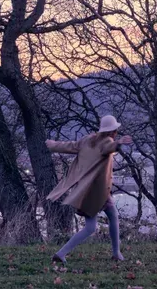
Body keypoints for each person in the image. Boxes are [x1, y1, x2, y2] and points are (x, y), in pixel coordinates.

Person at [45, 114, 133, 266]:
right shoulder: (107, 142)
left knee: (105, 220)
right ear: (113, 131)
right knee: (97, 224)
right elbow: (109, 148)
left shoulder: (87, 140)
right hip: (97, 192)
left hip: (86, 191)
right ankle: (115, 253)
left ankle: (115, 253)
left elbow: (69, 146)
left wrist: (52, 144)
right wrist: (118, 143)